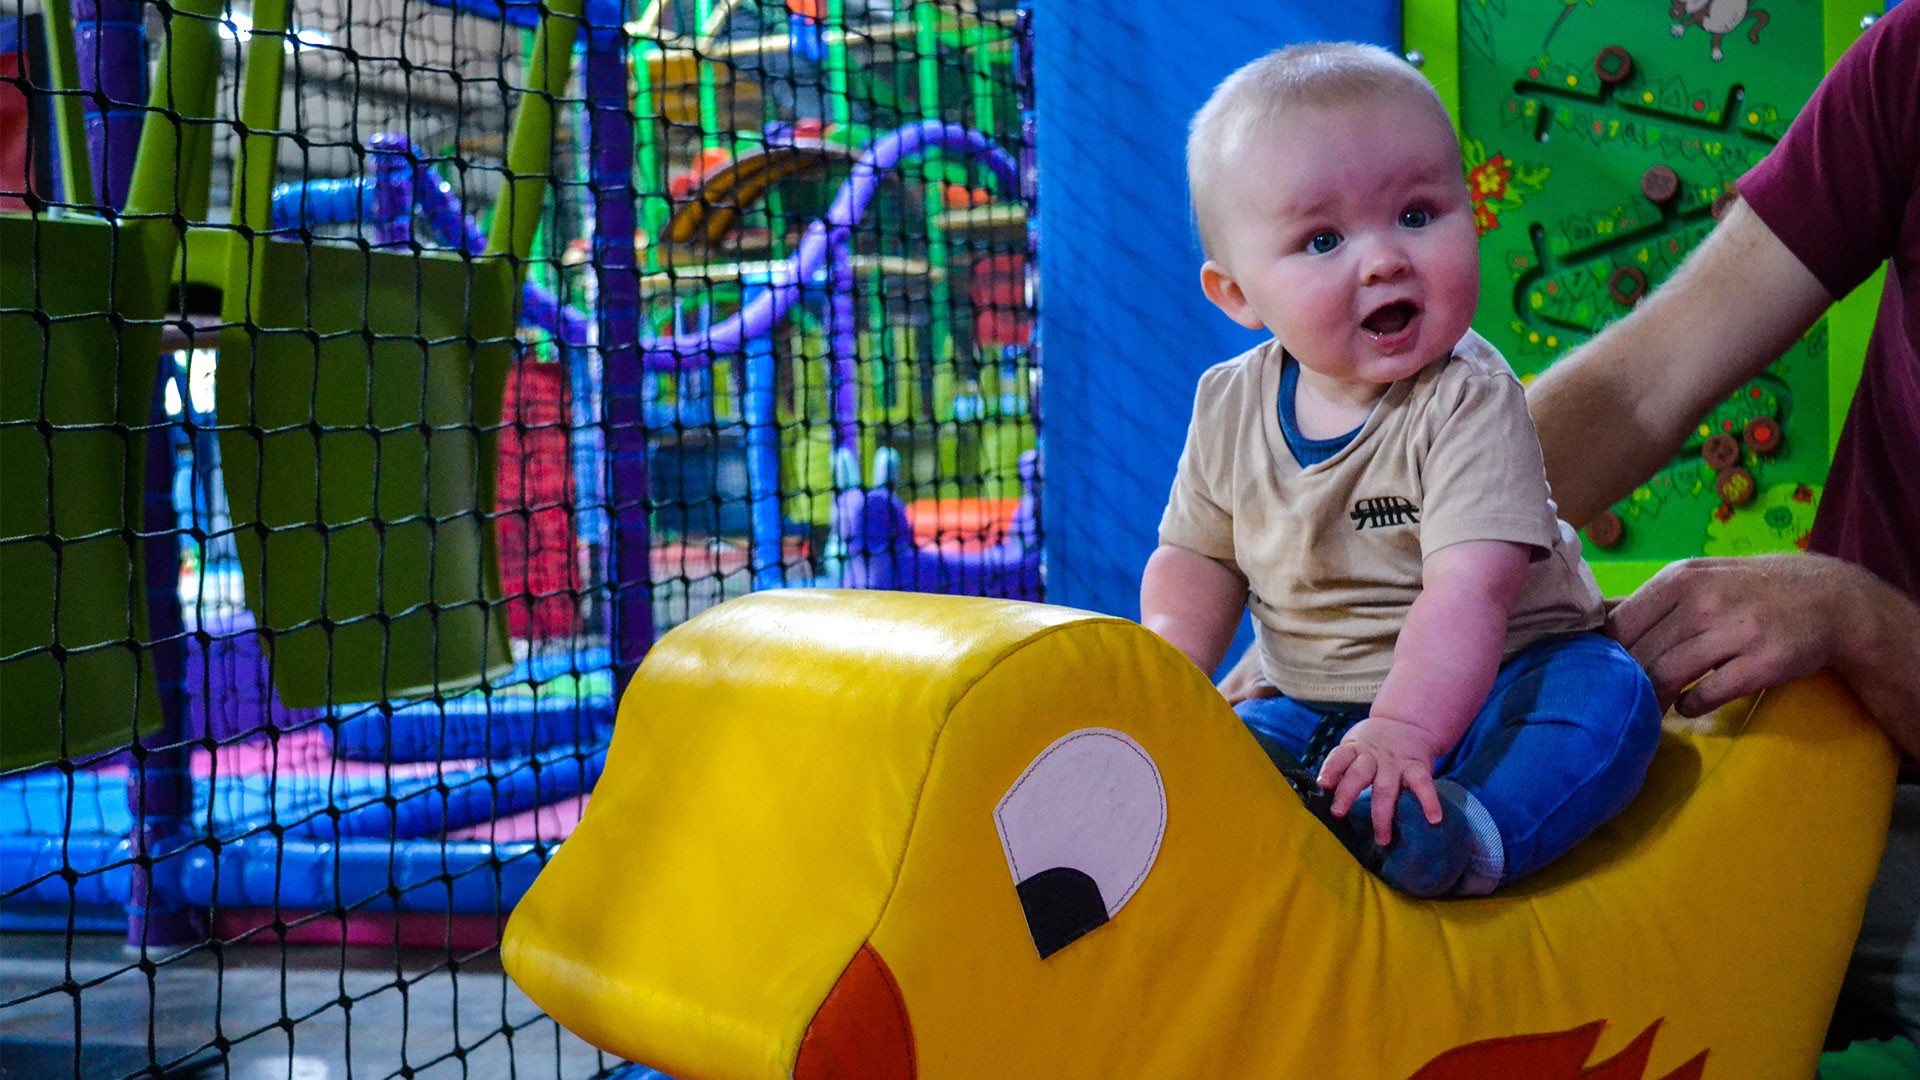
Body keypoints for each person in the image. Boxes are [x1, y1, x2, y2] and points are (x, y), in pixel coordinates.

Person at [1139, 42, 1662, 899]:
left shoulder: (1467, 397)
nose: (1383, 258)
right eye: (1321, 239)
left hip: (1511, 670)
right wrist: (1163, 681)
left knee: (1608, 708)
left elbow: (1471, 594)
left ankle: (1469, 832)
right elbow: (1198, 560)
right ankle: (1329, 818)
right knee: (1227, 752)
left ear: (1470, 215)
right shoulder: (1228, 405)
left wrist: (1406, 730)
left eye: (1418, 216)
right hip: (1316, 698)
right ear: (1236, 296)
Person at [1525, 1, 1920, 1046]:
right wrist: (1372, 541)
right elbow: (1647, 378)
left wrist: (1858, 617)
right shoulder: (1913, 59)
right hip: (1822, 764)